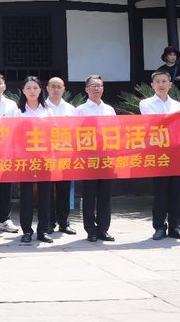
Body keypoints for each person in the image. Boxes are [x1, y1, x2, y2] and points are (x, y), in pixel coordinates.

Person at [140, 70, 180, 241]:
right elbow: (154, 123)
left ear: (170, 84)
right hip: (158, 154)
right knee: (161, 192)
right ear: (152, 85)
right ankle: (159, 227)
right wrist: (175, 116)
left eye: (164, 81)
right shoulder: (146, 103)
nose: (161, 84)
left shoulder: (178, 105)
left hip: (177, 155)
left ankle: (175, 227)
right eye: (157, 81)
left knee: (176, 193)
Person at [74, 74, 117, 243]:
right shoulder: (80, 110)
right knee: (89, 195)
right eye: (93, 85)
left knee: (105, 195)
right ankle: (90, 230)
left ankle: (103, 229)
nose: (96, 88)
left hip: (107, 158)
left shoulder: (109, 109)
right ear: (86, 89)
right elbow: (75, 134)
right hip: (89, 158)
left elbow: (116, 132)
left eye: (99, 85)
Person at [16, 76, 53, 244]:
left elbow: (53, 135)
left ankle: (43, 230)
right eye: (28, 88)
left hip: (44, 158)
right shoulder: (18, 112)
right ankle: (26, 230)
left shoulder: (48, 111)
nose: (32, 91)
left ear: (41, 90)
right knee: (26, 196)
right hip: (25, 159)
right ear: (23, 91)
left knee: (45, 196)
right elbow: (13, 135)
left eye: (35, 88)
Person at [0, 72, 20, 234]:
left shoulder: (12, 105)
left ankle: (5, 220)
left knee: (6, 187)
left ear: (4, 86)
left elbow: (17, 128)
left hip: (7, 151)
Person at [45, 77, 77, 235]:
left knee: (64, 190)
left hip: (65, 154)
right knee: (48, 191)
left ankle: (64, 222)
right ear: (47, 88)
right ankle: (49, 222)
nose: (56, 89)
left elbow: (76, 131)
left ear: (64, 89)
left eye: (59, 86)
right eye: (53, 86)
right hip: (47, 155)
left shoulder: (71, 109)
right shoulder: (42, 107)